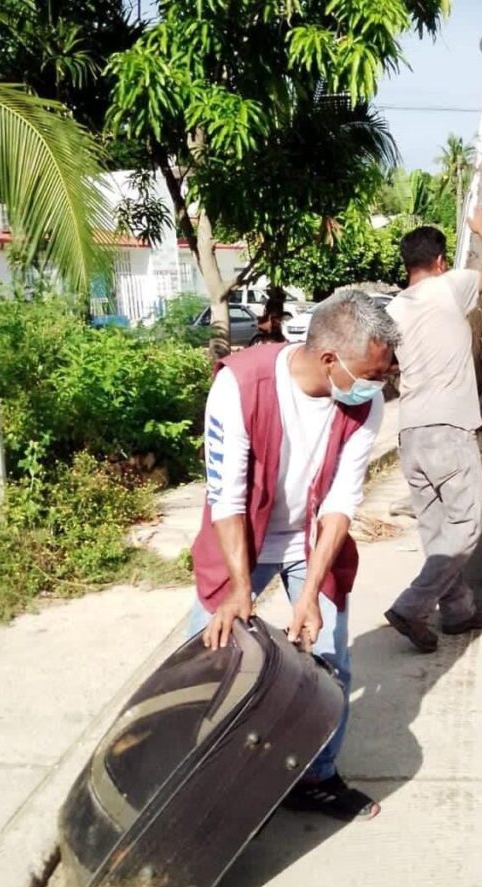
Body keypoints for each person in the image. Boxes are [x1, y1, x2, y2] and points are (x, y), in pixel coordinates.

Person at [188, 290, 399, 819]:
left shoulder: (365, 402)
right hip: (243, 539)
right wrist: (240, 589)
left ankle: (315, 776)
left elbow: (341, 503)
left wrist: (309, 595)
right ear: (329, 359)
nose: (381, 384)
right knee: (209, 661)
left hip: (310, 540)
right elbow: (226, 496)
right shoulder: (240, 385)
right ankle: (201, 783)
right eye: (373, 374)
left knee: (329, 660)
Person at [383, 207, 482, 653]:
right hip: (449, 429)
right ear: (439, 261)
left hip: (411, 432)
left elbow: (388, 366)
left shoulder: (392, 309)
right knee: (465, 528)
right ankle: (412, 606)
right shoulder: (450, 286)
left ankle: (458, 611)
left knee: (437, 533)